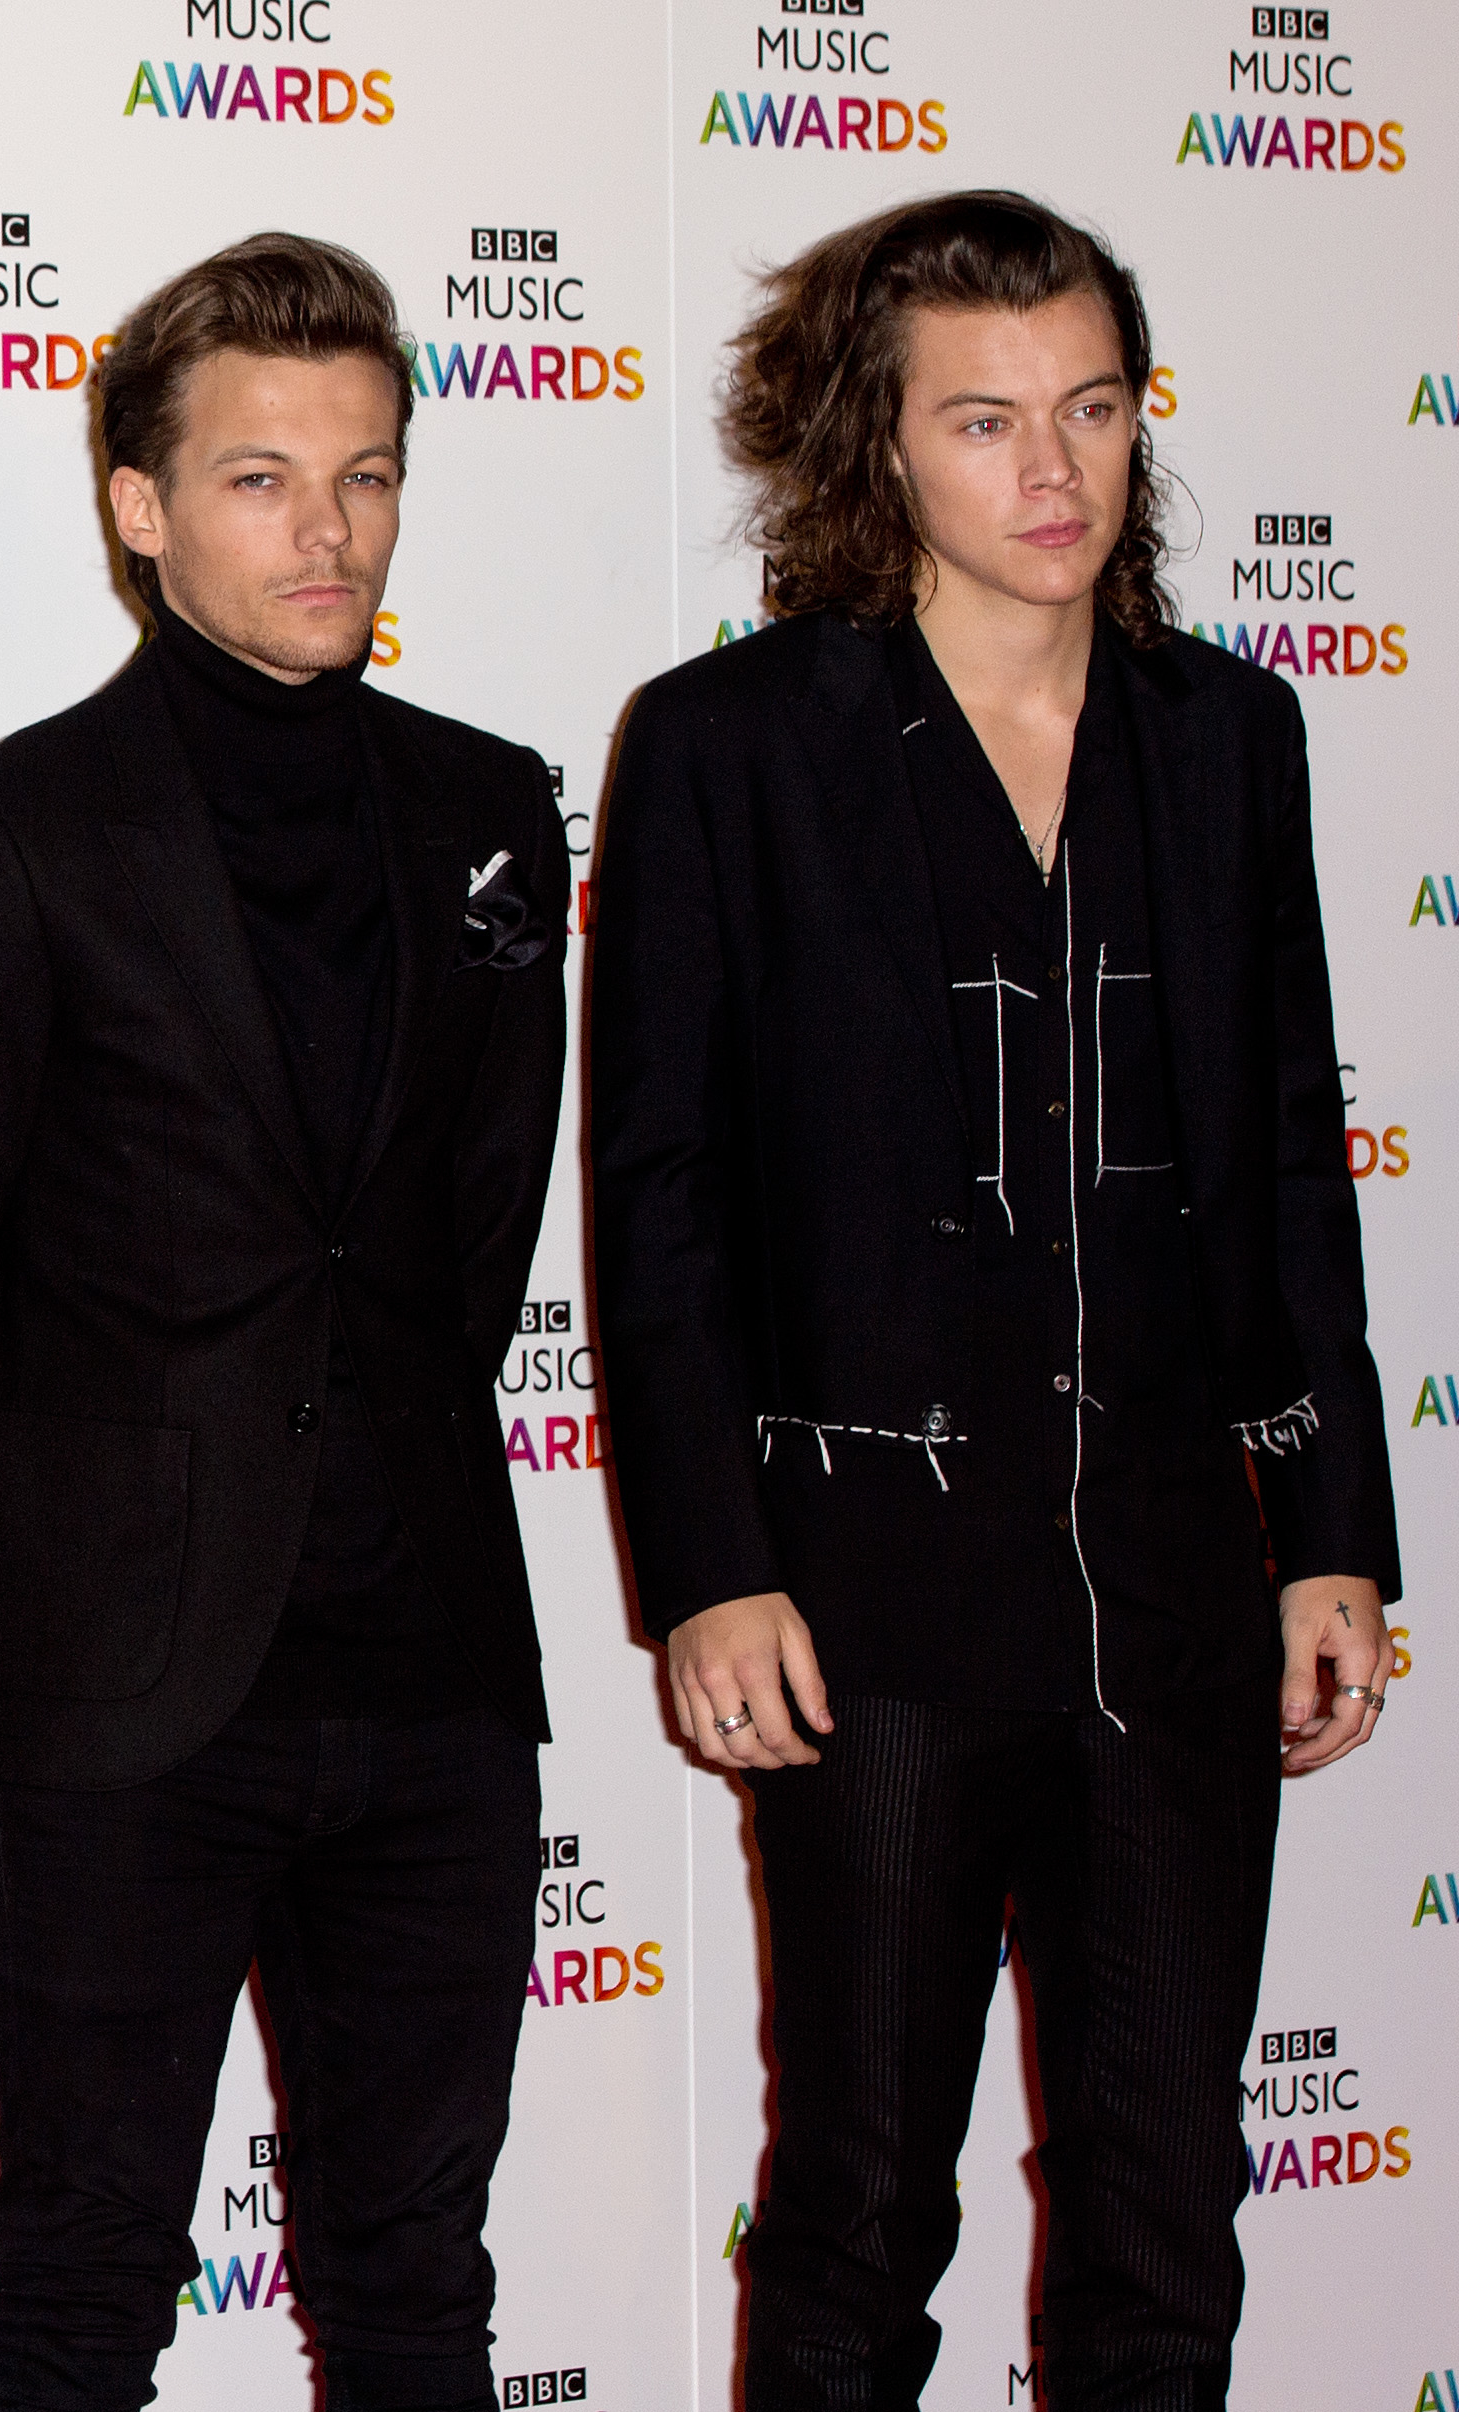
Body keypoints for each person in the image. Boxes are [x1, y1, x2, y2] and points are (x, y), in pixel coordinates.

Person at [589, 189, 1399, 2411]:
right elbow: (652, 1200)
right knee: (854, 2206)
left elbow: (1280, 1164)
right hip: (866, 1592)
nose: (1051, 472)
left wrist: (1326, 1525)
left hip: (1167, 1585)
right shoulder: (728, 747)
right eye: (980, 422)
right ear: (875, 454)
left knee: (1162, 2214)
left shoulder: (1224, 738)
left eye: (1090, 409)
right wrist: (710, 1571)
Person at [0, 234, 570, 2412]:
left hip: (434, 1670)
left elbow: (468, 1227)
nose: (326, 528)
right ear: (136, 508)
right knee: (80, 2282)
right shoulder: (3, 832)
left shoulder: (485, 810)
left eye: (362, 474)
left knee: (415, 2284)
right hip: (114, 1698)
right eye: (258, 478)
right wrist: (69, 1564)